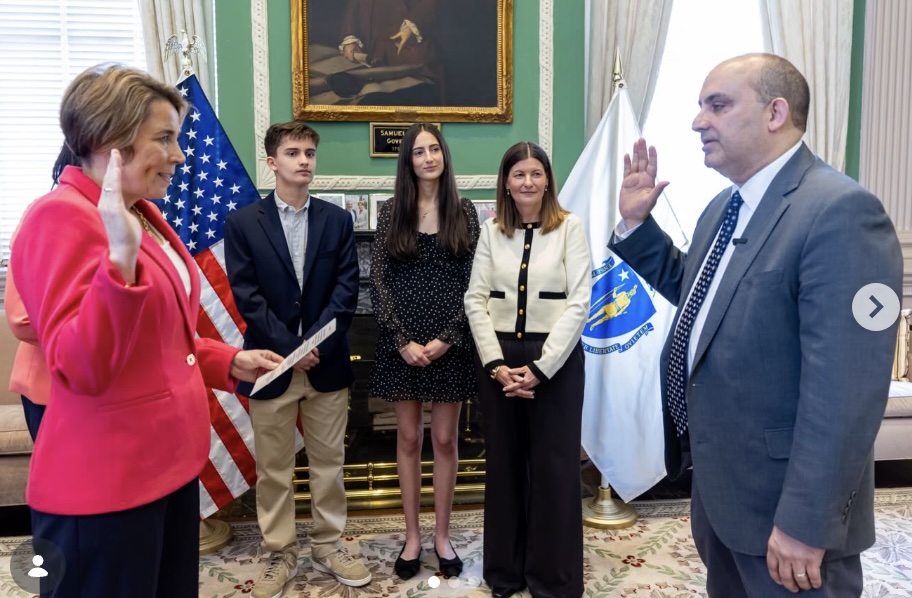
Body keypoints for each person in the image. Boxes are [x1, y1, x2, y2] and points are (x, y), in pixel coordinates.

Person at [610, 54, 903, 597]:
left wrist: (805, 523)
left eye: (717, 105)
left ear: (775, 113)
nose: (699, 121)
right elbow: (700, 298)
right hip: (724, 499)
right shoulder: (723, 206)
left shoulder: (841, 212)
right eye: (700, 106)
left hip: (788, 518)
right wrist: (636, 226)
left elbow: (846, 393)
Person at [9, 63, 282, 597]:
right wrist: (119, 260)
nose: (179, 155)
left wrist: (225, 360)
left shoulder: (144, 215)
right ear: (112, 141)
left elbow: (157, 337)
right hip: (106, 490)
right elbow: (80, 365)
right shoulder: (58, 218)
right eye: (164, 138)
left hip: (168, 469)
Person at [224, 121, 369, 598]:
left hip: (326, 367)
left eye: (309, 152)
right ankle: (280, 550)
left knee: (330, 464)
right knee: (275, 469)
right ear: (272, 162)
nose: (304, 160)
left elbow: (346, 292)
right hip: (270, 365)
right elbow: (248, 298)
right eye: (293, 152)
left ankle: (329, 544)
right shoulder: (243, 223)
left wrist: (317, 347)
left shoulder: (336, 220)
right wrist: (290, 349)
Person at [464, 141, 591, 598]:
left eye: (536, 174)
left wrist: (541, 368)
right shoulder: (492, 231)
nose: (528, 182)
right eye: (519, 174)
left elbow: (579, 302)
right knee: (503, 467)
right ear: (506, 182)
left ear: (547, 181)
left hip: (553, 364)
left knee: (554, 471)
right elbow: (475, 300)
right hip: (497, 363)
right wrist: (497, 366)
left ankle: (553, 580)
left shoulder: (570, 228)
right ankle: (505, 574)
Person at [369, 122, 479, 580]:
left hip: (449, 343)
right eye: (419, 151)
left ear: (444, 156)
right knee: (410, 438)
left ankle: (442, 536)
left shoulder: (465, 210)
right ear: (407, 161)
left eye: (435, 149)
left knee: (446, 440)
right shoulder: (392, 210)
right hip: (403, 345)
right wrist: (403, 341)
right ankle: (413, 537)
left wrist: (448, 337)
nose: (428, 157)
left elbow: (476, 282)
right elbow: (377, 280)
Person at [3, 147, 74, 442]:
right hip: (51, 389)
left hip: (119, 396)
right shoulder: (46, 213)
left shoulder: (140, 216)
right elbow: (21, 317)